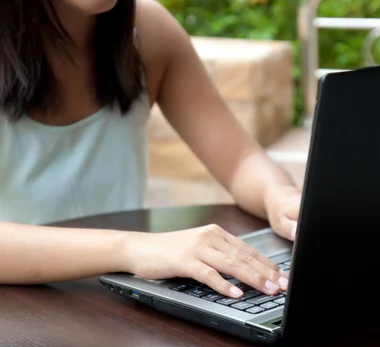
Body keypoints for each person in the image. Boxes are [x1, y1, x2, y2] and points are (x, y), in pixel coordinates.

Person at [0, 0, 301, 299]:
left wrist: (277, 195)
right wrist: (132, 247)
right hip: (19, 311)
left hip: (115, 305)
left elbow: (239, 159)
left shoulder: (148, 31)